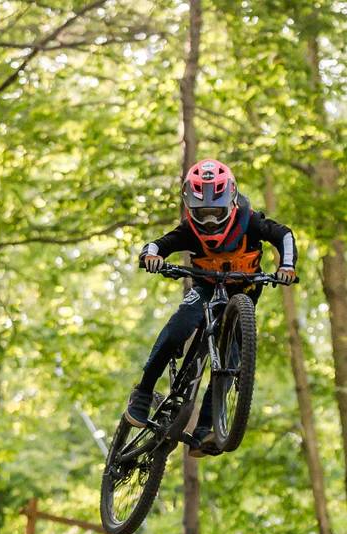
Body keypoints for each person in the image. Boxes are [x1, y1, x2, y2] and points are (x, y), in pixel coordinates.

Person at [126, 158, 297, 456]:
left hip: (243, 288)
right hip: (205, 286)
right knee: (181, 323)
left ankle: (206, 429)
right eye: (201, 213)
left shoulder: (250, 221)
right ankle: (142, 392)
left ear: (230, 203)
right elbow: (156, 246)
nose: (208, 221)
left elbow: (284, 234)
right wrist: (150, 257)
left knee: (231, 357)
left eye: (215, 213)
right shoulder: (189, 230)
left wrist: (286, 265)